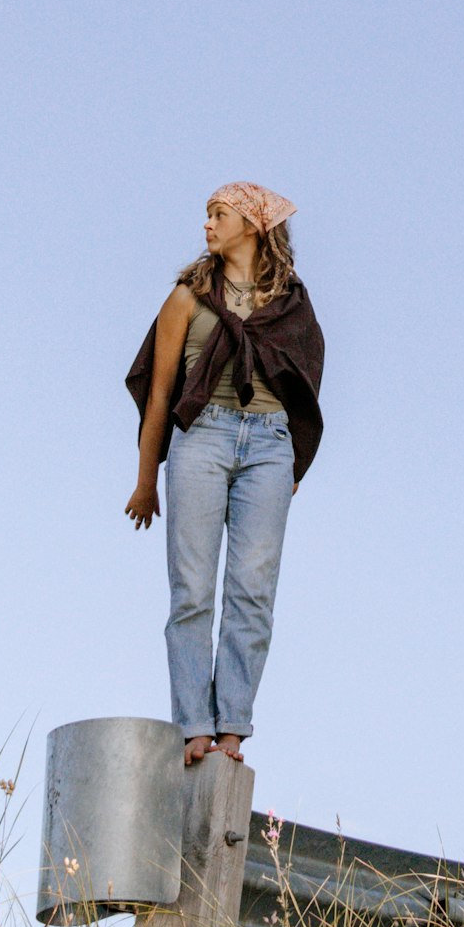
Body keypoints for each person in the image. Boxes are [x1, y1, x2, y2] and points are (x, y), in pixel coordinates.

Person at [125, 182, 325, 767]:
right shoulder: (186, 299)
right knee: (191, 588)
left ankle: (233, 725)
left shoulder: (290, 302)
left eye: (219, 215)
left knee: (253, 591)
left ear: (254, 225)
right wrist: (144, 479)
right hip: (201, 438)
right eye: (208, 215)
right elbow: (160, 394)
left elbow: (305, 380)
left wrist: (294, 463)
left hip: (269, 444)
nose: (208, 225)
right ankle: (194, 724)